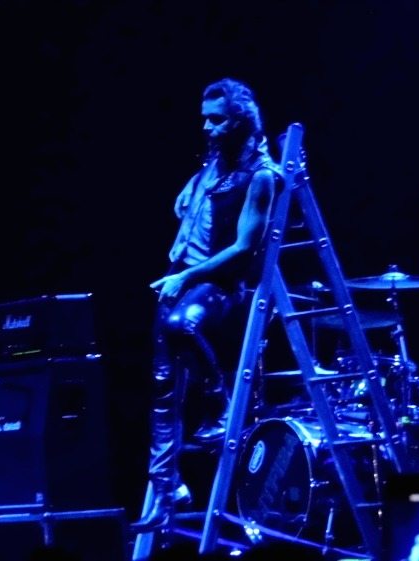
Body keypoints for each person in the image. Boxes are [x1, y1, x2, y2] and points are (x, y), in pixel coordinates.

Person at [130, 78, 281, 532]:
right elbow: (201, 195)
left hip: (219, 285)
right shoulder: (213, 163)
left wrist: (187, 276)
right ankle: (166, 489)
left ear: (240, 122)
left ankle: (220, 404)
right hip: (181, 278)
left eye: (216, 120)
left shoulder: (260, 175)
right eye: (205, 119)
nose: (207, 128)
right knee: (162, 390)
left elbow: (243, 248)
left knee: (181, 326)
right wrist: (192, 186)